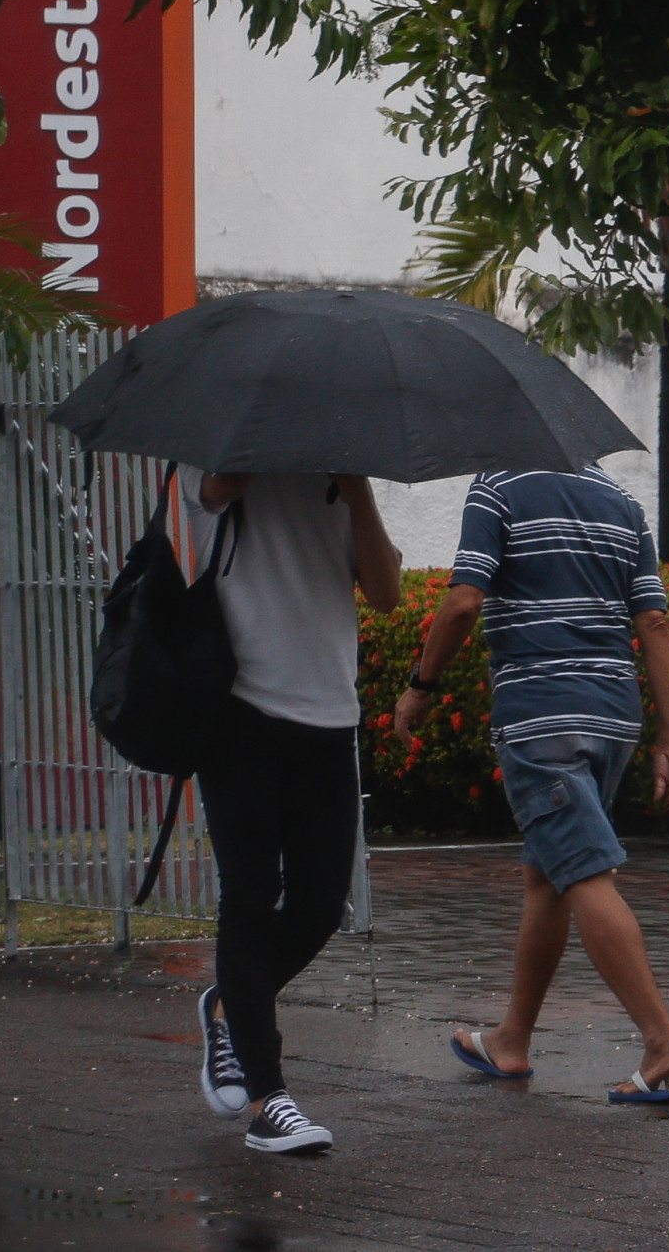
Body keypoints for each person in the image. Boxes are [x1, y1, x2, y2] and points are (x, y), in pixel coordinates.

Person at [393, 465, 669, 1102]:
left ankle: (660, 1041)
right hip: (614, 716)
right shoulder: (622, 502)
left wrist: (421, 686)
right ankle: (512, 1040)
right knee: (550, 872)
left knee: (584, 871)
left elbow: (464, 601)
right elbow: (656, 625)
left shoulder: (496, 488)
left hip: (540, 715)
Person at [182, 468, 401, 1154]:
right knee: (250, 896)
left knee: (318, 902)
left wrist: (357, 488)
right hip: (240, 711)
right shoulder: (217, 453)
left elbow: (388, 593)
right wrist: (240, 472)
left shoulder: (341, 471)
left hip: (331, 716)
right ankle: (266, 1097)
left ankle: (227, 1006)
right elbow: (208, 499)